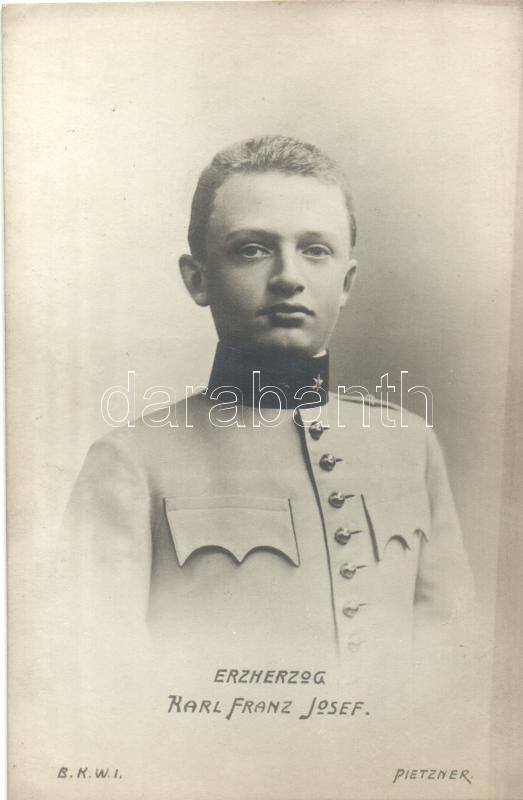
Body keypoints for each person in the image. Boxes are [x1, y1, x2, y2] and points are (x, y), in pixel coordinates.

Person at [62, 135, 477, 696]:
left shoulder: (409, 445)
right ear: (197, 279)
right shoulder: (131, 462)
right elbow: (98, 691)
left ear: (347, 282)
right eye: (253, 249)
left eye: (316, 249)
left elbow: (452, 672)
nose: (288, 276)